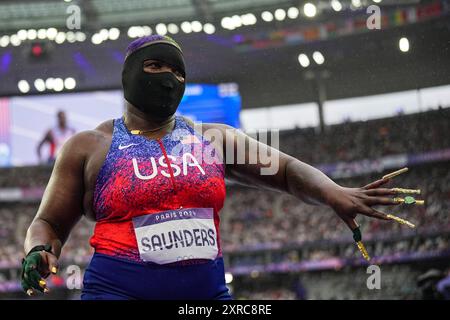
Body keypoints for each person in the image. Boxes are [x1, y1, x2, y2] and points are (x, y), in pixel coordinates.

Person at [22, 35, 405, 300]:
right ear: (130, 75)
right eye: (156, 66)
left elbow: (287, 170)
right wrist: (38, 249)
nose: (170, 79)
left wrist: (333, 193)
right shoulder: (88, 146)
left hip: (207, 295)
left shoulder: (214, 138)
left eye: (179, 73)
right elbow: (50, 223)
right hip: (117, 292)